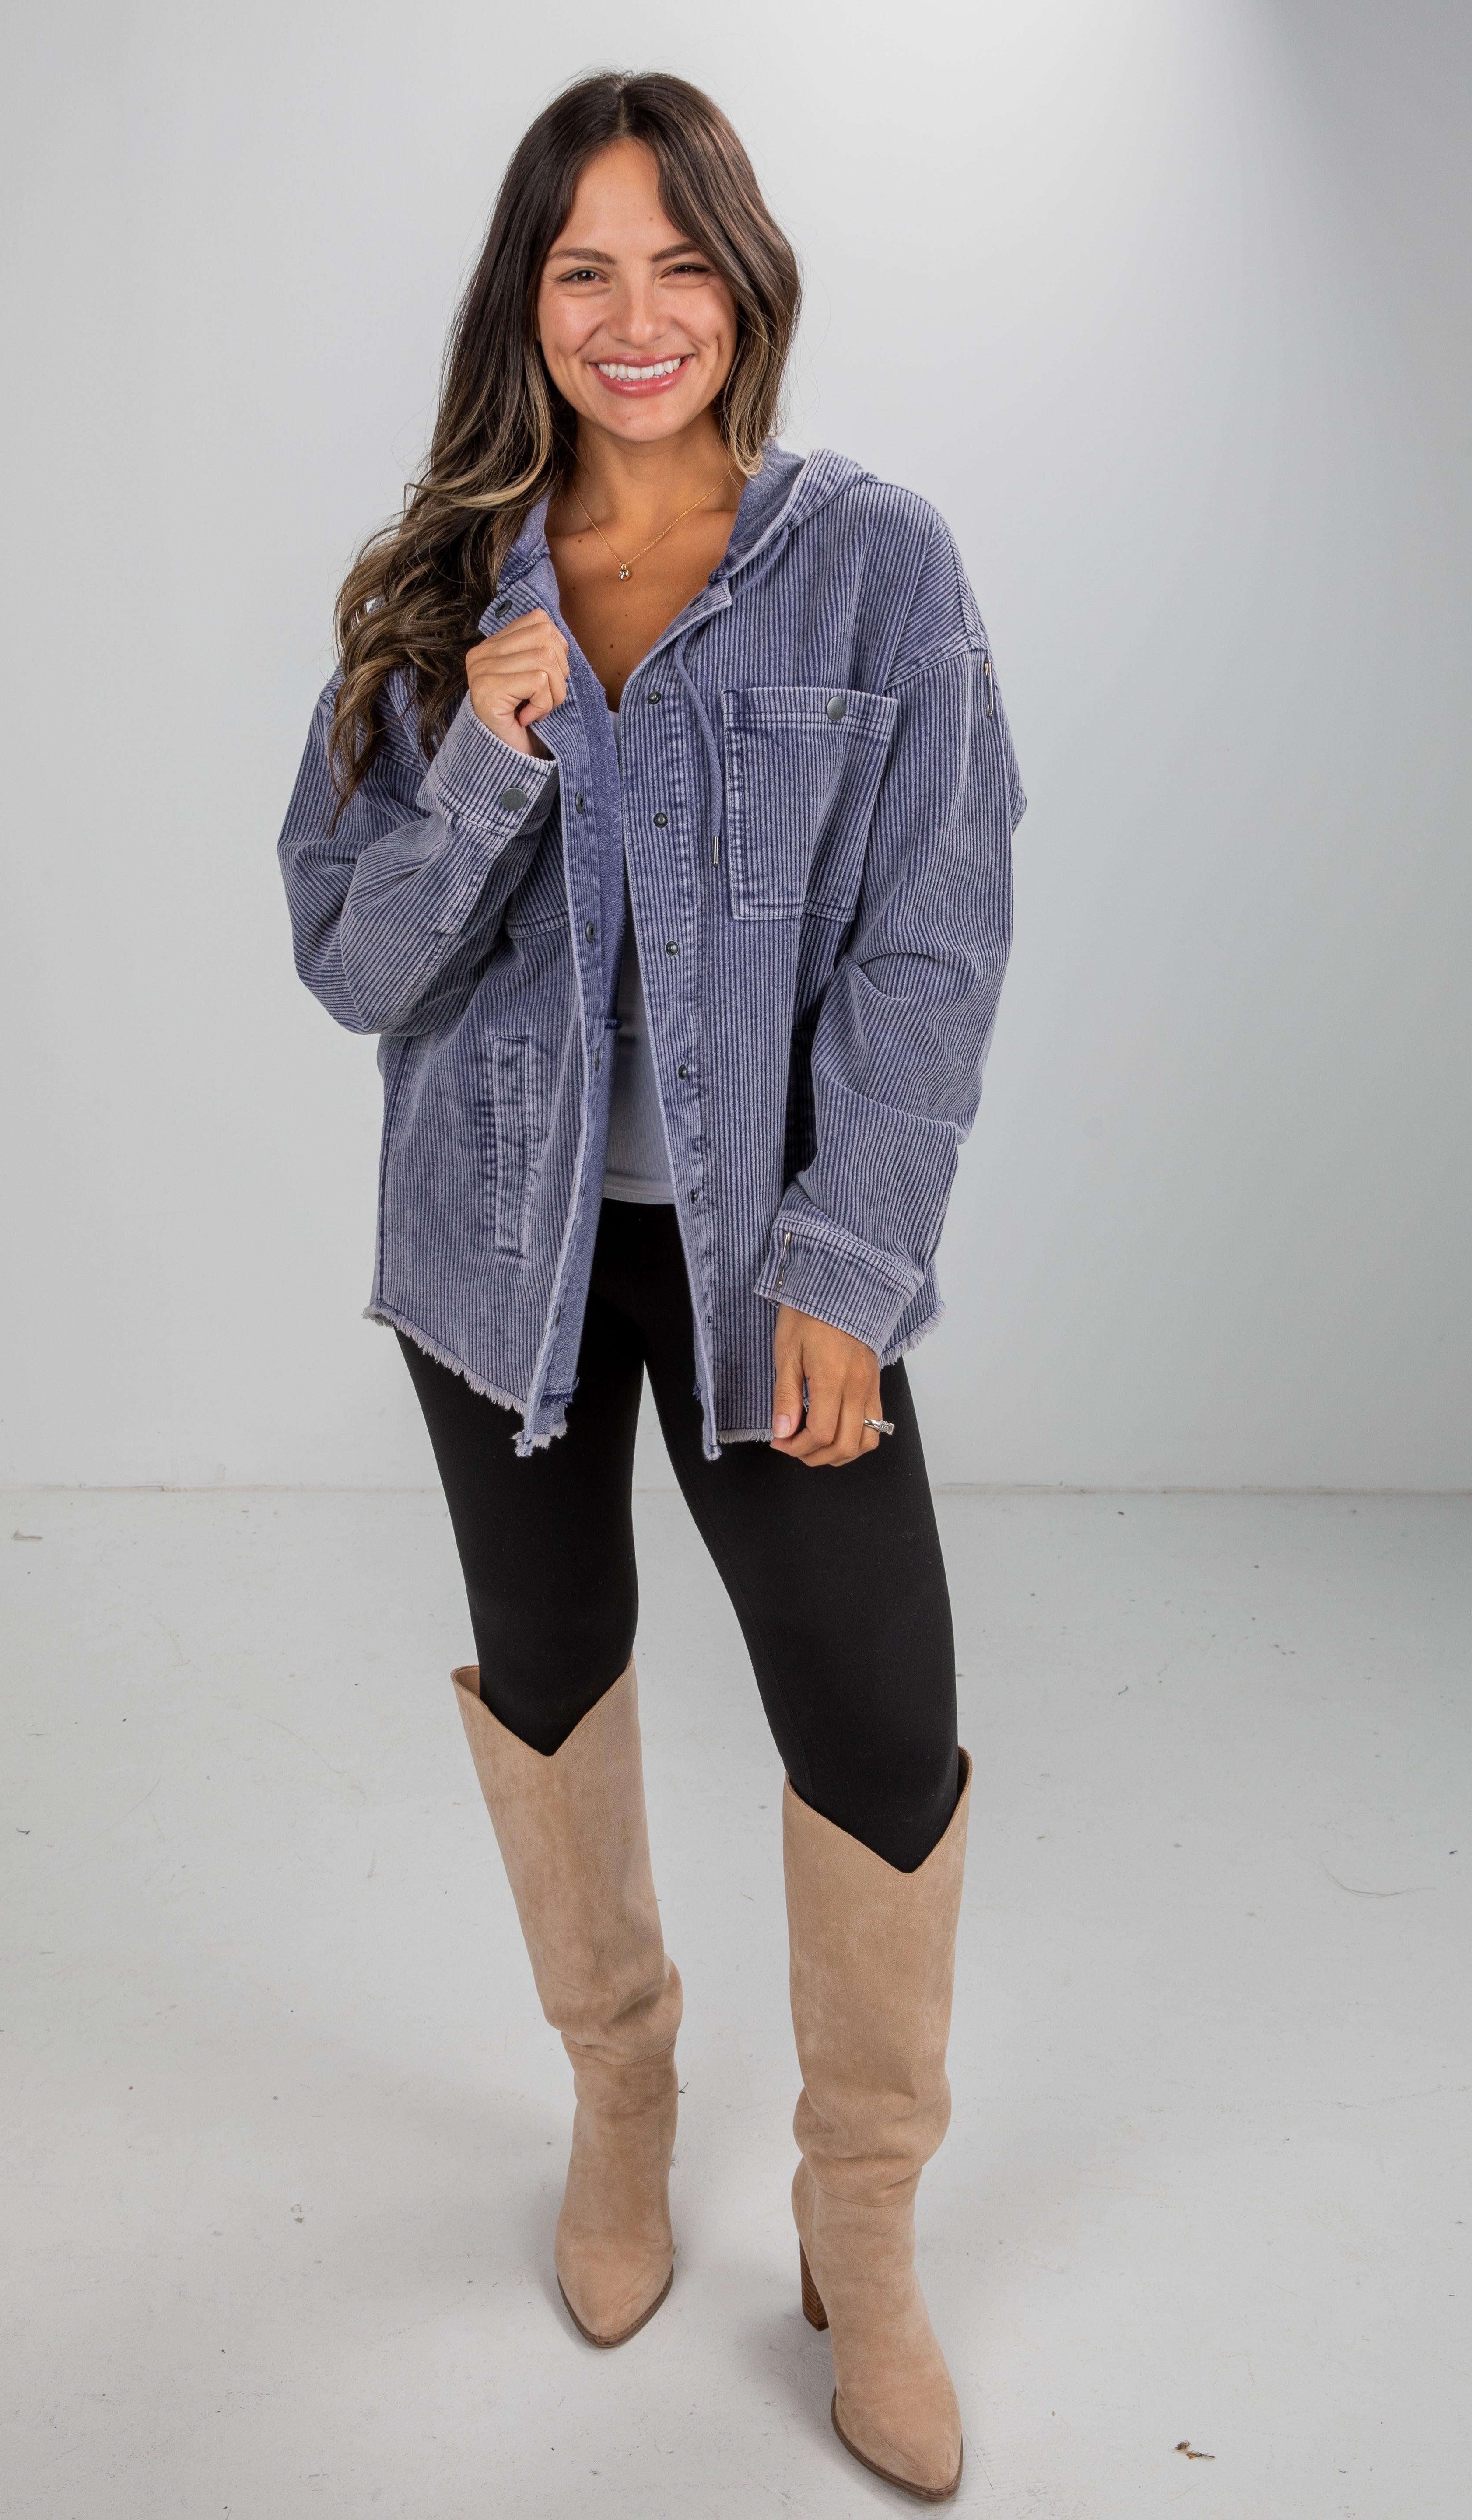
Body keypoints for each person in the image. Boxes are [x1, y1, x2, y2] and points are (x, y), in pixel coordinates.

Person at [278, 69, 1023, 2503]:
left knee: (879, 1732)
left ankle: (865, 2223)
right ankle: (621, 2101)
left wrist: (850, 1262)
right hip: (490, 1265)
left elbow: (931, 941)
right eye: (581, 268)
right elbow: (356, 967)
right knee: (560, 1669)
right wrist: (483, 761)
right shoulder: (435, 590)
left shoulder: (872, 567)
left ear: (746, 281)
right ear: (527, 300)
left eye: (676, 261)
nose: (634, 316)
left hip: (767, 1269)